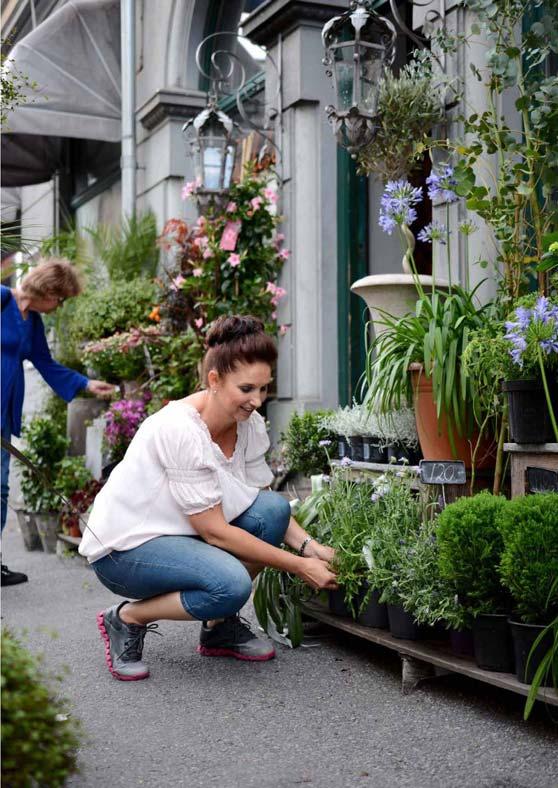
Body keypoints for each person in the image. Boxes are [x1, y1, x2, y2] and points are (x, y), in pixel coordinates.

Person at [80, 315, 338, 681]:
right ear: (214, 380)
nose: (257, 402)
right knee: (231, 584)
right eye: (247, 389)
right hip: (125, 552)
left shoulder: (247, 424)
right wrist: (299, 565)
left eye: (263, 389)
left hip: (180, 535)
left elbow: (260, 498)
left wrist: (311, 546)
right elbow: (215, 532)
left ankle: (218, 626)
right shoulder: (180, 429)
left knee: (273, 511)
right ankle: (125, 618)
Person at [1, 257, 115, 586]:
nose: (60, 306)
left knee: (1, 486)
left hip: (5, 410)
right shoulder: (2, 298)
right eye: (61, 299)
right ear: (49, 291)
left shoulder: (32, 322)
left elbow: (45, 364)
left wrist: (86, 384)